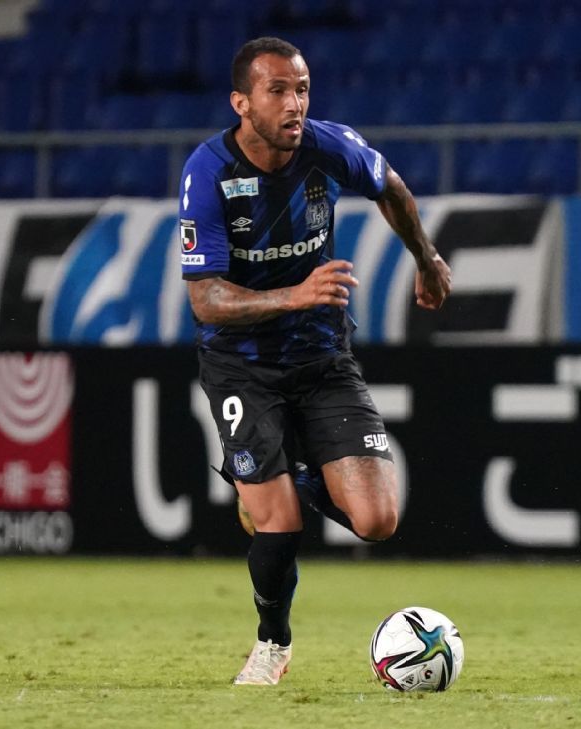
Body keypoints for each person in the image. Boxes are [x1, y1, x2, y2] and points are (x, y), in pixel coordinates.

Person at [179, 37, 452, 686]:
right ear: (241, 102)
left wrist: (427, 257)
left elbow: (390, 186)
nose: (295, 103)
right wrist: (293, 294)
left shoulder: (327, 146)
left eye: (301, 88)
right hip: (242, 366)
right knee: (279, 524)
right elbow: (205, 298)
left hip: (324, 358)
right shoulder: (208, 173)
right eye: (278, 90)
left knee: (378, 519)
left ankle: (269, 479)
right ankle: (273, 642)